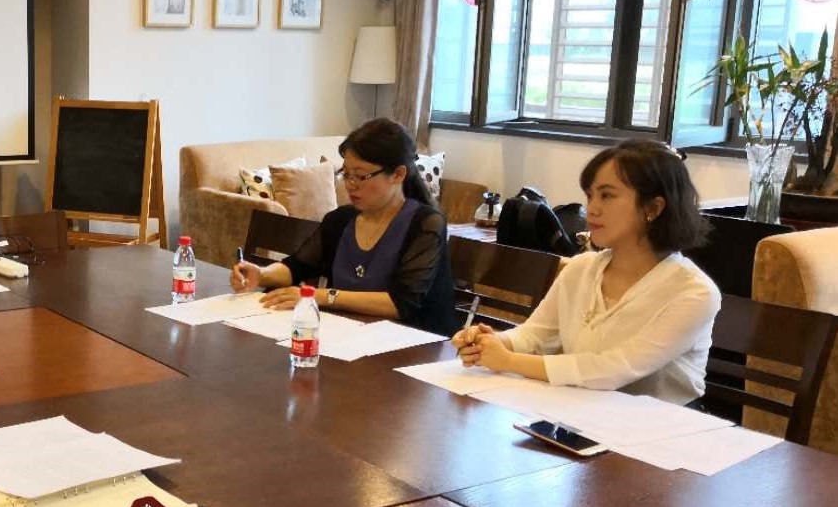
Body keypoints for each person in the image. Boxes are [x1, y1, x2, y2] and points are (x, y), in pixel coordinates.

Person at [453, 140, 719, 406]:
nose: (592, 209)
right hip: (579, 409)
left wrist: (509, 360)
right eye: (590, 195)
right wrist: (489, 342)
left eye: (607, 196)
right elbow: (533, 336)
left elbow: (612, 369)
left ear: (653, 208)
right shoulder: (580, 268)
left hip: (660, 425)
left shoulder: (693, 292)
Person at [231, 118, 454, 335]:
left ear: (398, 174)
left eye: (361, 176)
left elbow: (402, 303)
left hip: (412, 343)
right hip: (345, 335)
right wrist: (262, 274)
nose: (350, 184)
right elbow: (297, 267)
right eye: (346, 174)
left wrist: (321, 296)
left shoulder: (425, 224)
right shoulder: (340, 220)